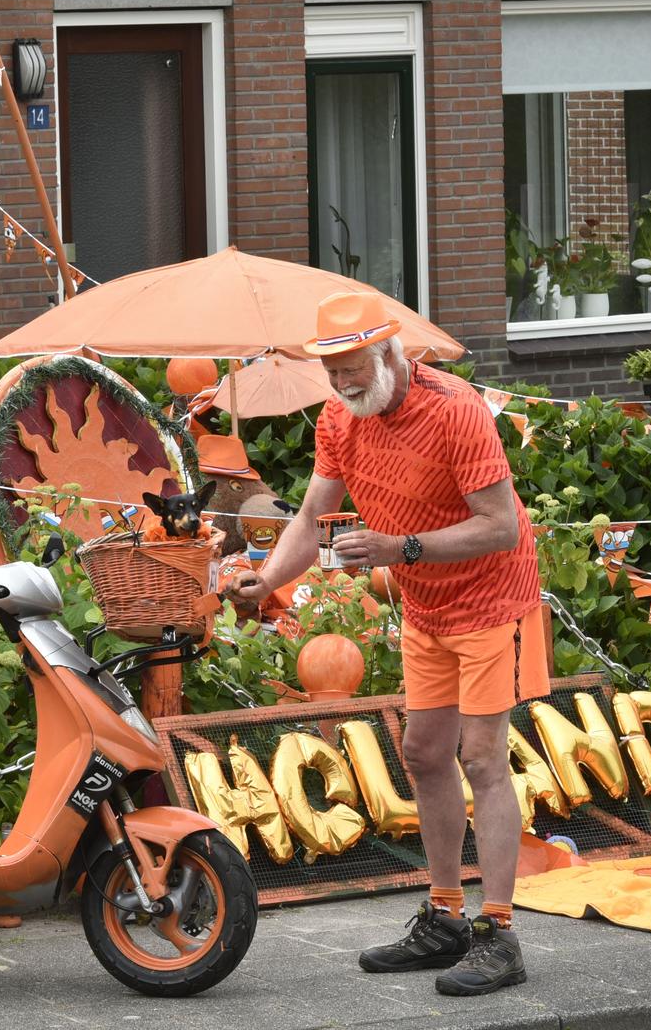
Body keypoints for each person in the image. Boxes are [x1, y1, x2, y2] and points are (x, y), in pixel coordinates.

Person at [230, 291, 545, 997]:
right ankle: (445, 917)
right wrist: (265, 580)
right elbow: (311, 516)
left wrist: (400, 545)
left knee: (484, 758)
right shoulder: (340, 418)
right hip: (427, 606)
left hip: (493, 600)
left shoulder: (456, 409)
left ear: (389, 354)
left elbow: (501, 525)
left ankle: (501, 934)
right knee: (424, 751)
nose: (342, 384)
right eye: (332, 371)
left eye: (352, 368)